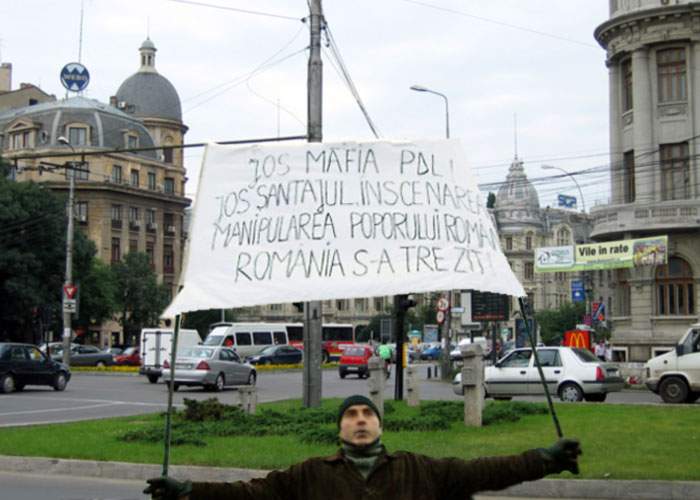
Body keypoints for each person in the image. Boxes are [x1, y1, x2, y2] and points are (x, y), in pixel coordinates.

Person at [145, 394, 582, 500]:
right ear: (340, 430)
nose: (360, 420)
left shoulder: (418, 469)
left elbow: (484, 471)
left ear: (379, 425)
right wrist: (186, 490)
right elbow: (249, 494)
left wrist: (545, 459)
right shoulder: (311, 474)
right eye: (351, 415)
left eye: (367, 414)